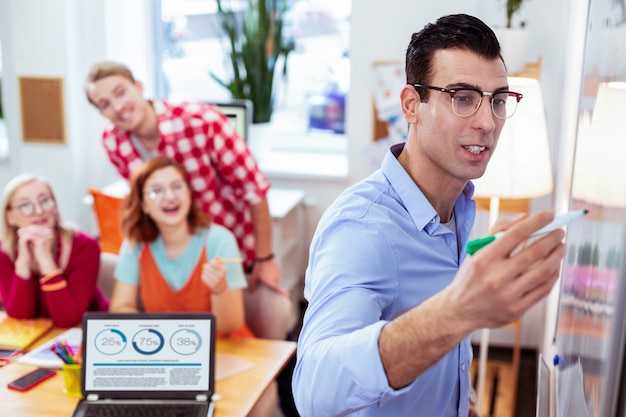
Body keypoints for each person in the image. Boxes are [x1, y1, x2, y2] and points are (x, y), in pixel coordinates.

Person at [292, 13, 566, 417]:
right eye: (462, 97)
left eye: (498, 100)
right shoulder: (362, 229)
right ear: (410, 105)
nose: (488, 122)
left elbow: (437, 352)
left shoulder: (457, 207)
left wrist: (458, 400)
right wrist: (457, 312)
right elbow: (315, 392)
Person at [109, 156, 277, 416]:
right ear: (143, 204)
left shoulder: (219, 240)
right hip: (170, 358)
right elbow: (120, 307)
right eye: (156, 191)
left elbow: (231, 325)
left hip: (226, 354)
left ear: (189, 193)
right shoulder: (135, 245)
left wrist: (219, 289)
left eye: (177, 187)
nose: (169, 197)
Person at [0, 174, 109, 328]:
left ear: (55, 207)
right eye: (25, 205)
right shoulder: (4, 251)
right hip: (42, 339)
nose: (38, 211)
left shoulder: (85, 246)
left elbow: (68, 319)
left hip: (90, 332)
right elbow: (21, 316)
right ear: (10, 217)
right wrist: (23, 264)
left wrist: (46, 263)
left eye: (44, 201)